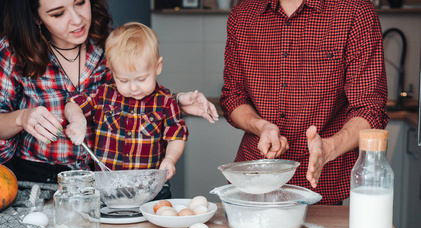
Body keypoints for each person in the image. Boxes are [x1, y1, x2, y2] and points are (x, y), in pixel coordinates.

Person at [0, 0, 218, 199]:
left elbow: (137, 96)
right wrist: (22, 118)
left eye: (80, 3)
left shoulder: (113, 44)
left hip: (102, 180)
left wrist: (177, 101)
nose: (77, 20)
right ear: (36, 17)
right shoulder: (13, 52)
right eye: (58, 14)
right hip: (39, 182)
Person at [220, 0, 388, 205]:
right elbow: (233, 96)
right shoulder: (243, 13)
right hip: (253, 181)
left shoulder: (354, 10)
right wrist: (261, 126)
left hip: (321, 185)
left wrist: (329, 148)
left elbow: (369, 107)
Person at [64, 22, 188, 198]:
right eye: (123, 80)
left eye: (141, 79)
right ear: (112, 70)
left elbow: (177, 136)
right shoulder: (103, 95)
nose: (134, 87)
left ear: (158, 66)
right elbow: (73, 103)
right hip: (107, 189)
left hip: (151, 189)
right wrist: (78, 121)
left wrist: (170, 159)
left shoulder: (166, 103)